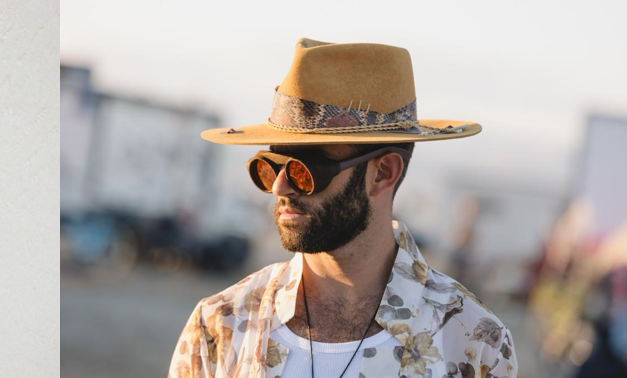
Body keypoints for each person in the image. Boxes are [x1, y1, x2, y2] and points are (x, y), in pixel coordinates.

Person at [167, 38, 518, 378]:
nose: (279, 187)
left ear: (382, 173)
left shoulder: (473, 342)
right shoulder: (219, 325)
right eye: (270, 165)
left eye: (306, 170)